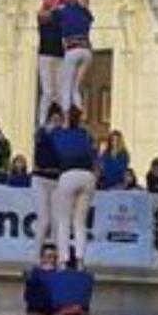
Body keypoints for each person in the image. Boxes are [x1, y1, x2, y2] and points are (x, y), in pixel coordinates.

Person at [50, 107, 96, 269]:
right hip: (87, 176)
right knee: (80, 222)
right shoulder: (85, 134)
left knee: (64, 221)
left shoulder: (59, 134)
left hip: (68, 174)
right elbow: (93, 154)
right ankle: (80, 260)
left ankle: (63, 260)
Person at [49, 0, 94, 114]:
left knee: (66, 87)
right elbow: (90, 18)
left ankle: (67, 117)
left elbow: (51, 13)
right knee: (75, 88)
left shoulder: (63, 11)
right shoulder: (83, 11)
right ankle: (78, 113)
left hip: (73, 49)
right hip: (87, 51)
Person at [37, 0, 71, 126]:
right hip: (46, 55)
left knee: (59, 92)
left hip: (60, 54)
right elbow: (48, 15)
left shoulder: (59, 11)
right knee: (48, 91)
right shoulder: (43, 13)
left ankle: (63, 122)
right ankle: (43, 123)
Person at [33, 103, 65, 249]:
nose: (56, 122)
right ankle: (36, 253)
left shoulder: (64, 136)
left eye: (59, 120)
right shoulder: (42, 133)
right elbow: (40, 155)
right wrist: (47, 133)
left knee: (56, 219)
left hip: (57, 179)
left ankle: (58, 254)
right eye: (54, 119)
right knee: (44, 219)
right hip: (41, 178)